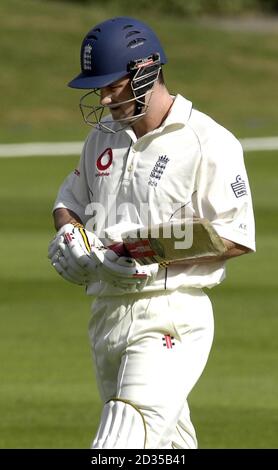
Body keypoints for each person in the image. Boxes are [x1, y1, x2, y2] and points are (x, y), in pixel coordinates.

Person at [48, 16, 255, 449]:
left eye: (113, 85)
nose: (104, 98)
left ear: (146, 69)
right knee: (167, 449)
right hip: (106, 314)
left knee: (120, 443)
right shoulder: (102, 138)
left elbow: (235, 235)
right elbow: (69, 203)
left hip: (170, 314)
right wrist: (72, 237)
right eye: (98, 87)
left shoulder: (208, 141)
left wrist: (142, 250)